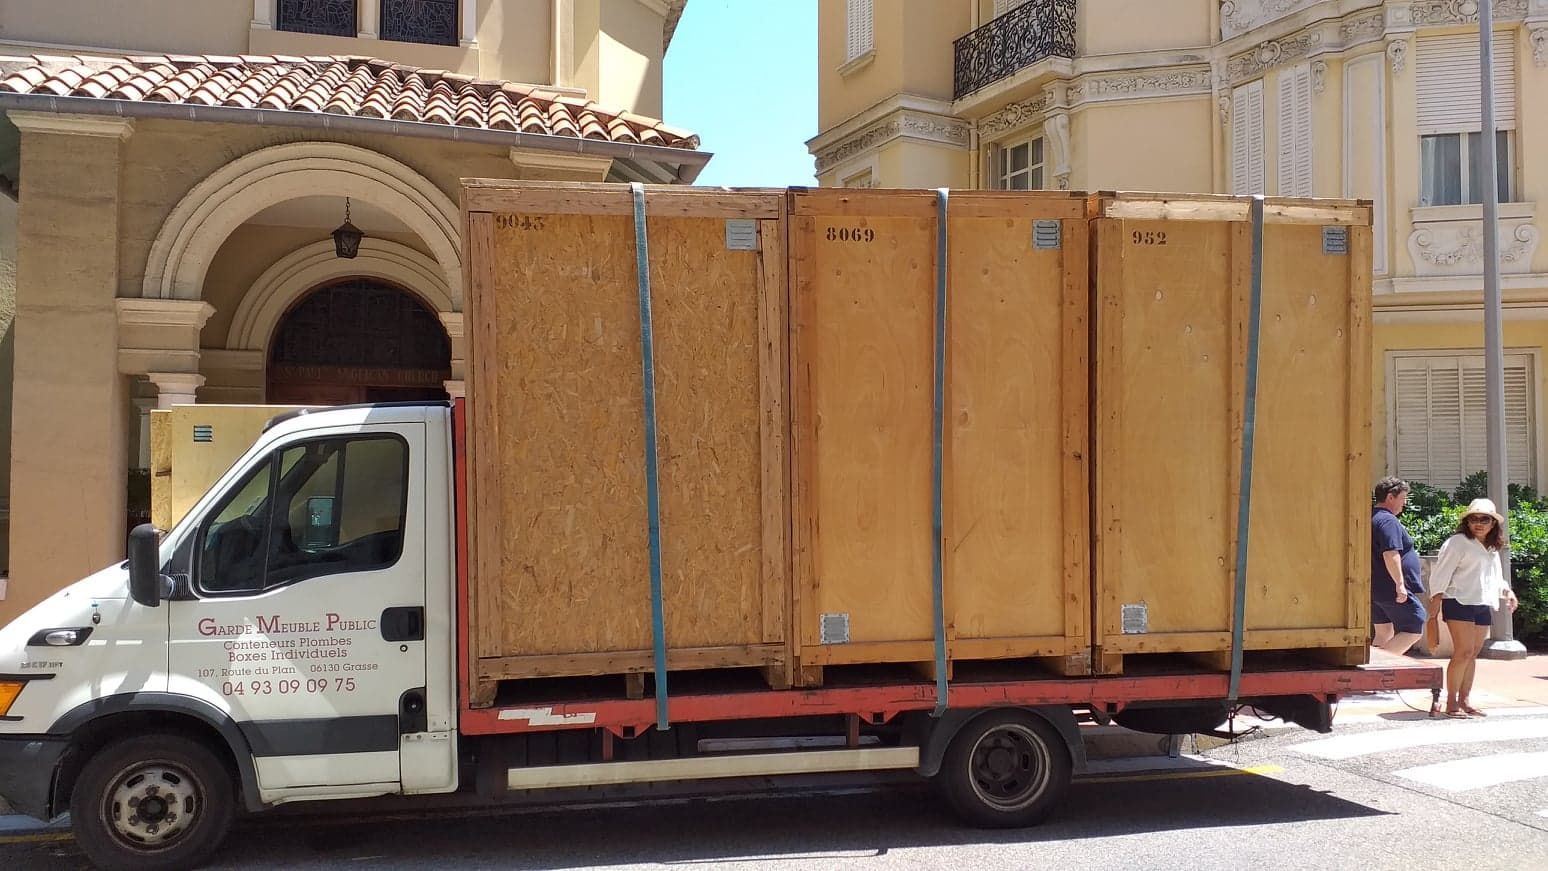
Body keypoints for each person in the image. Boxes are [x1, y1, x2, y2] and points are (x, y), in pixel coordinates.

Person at [1426, 498, 1520, 718]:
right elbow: (1441, 573)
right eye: (1473, 519)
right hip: (1458, 600)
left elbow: (1494, 577)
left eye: (1484, 519)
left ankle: (1465, 699)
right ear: (1467, 522)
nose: (1478, 523)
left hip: (1481, 603)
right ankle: (1452, 702)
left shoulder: (1491, 548)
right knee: (1463, 652)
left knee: (1473, 653)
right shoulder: (1457, 542)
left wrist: (1507, 592)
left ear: (1493, 523)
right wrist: (1436, 600)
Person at [1370, 477, 1427, 655]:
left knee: (1384, 632)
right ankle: (1379, 668)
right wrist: (1400, 584)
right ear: (1390, 497)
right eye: (1403, 498)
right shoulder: (1388, 521)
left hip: (1375, 587)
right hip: (1390, 587)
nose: (1404, 504)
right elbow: (1390, 553)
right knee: (1414, 624)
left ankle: (1372, 676)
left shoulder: (1371, 518)